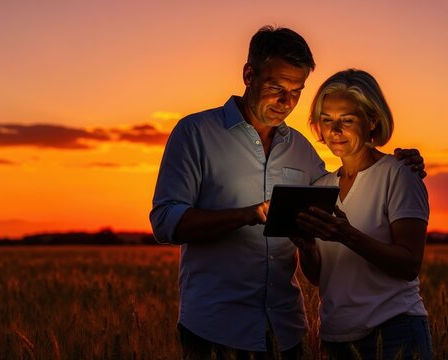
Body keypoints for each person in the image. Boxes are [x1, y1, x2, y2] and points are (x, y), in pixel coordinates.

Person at [150, 27, 425, 359]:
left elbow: (354, 184)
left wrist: (400, 161)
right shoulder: (196, 133)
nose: (286, 102)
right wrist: (247, 214)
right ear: (249, 74)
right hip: (216, 329)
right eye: (275, 88)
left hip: (285, 330)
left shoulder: (301, 149)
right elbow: (166, 221)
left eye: (296, 91)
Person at [292, 69, 433, 359]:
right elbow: (320, 277)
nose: (334, 130)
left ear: (372, 120)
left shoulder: (399, 174)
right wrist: (306, 250)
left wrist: (347, 235)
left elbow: (409, 264)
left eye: (347, 119)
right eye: (327, 120)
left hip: (394, 332)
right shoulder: (322, 187)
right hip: (335, 338)